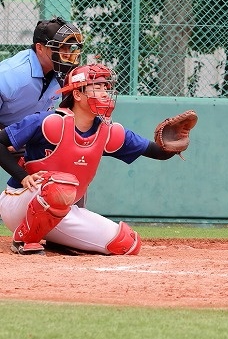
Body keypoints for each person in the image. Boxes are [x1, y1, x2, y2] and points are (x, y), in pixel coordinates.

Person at [0, 64, 188, 255]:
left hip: (61, 210)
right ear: (77, 94)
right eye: (97, 87)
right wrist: (22, 176)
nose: (105, 93)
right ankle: (23, 239)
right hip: (20, 202)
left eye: (106, 87)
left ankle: (58, 241)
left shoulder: (107, 132)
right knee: (60, 185)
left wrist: (174, 142)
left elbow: (158, 152)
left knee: (126, 243)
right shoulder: (47, 121)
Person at [0, 16, 83, 129]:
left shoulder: (63, 72)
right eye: (61, 47)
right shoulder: (10, 74)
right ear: (39, 48)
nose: (68, 54)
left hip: (33, 132)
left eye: (70, 48)